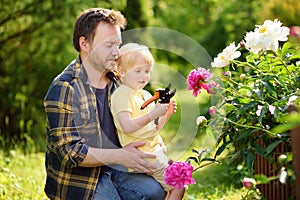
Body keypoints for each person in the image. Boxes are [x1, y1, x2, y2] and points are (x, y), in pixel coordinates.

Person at [44, 8, 167, 200]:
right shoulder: (65, 87)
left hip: (116, 169)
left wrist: (157, 151)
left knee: (155, 191)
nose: (117, 52)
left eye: (118, 44)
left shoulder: (118, 80)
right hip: (80, 181)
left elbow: (135, 120)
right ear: (84, 44)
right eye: (109, 45)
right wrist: (121, 155)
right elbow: (69, 153)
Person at [111, 43, 185, 200]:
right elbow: (127, 126)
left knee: (167, 189)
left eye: (146, 71)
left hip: (153, 152)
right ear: (121, 72)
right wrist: (153, 114)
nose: (143, 76)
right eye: (137, 71)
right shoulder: (121, 95)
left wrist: (166, 114)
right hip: (143, 156)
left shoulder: (144, 94)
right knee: (180, 184)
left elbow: (153, 128)